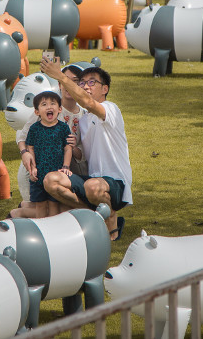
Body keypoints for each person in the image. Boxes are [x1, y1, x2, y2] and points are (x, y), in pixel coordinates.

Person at [41, 58, 132, 240]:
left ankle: (111, 219)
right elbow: (82, 155)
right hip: (92, 180)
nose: (86, 86)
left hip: (115, 183)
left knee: (92, 186)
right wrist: (73, 147)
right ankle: (96, 216)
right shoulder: (83, 120)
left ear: (104, 89)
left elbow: (89, 103)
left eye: (92, 82)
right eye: (82, 83)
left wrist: (60, 76)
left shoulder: (111, 109)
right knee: (51, 180)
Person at [10, 65, 87, 218]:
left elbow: (81, 154)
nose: (68, 85)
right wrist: (24, 153)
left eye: (75, 81)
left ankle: (22, 209)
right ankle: (17, 214)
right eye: (64, 80)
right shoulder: (47, 107)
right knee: (44, 210)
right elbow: (22, 135)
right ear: (59, 84)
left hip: (62, 173)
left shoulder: (84, 115)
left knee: (59, 209)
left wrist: (72, 148)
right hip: (36, 170)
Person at [25, 91, 73, 218]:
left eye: (53, 103)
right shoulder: (34, 128)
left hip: (56, 173)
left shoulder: (63, 128)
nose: (49, 107)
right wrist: (33, 168)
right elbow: (30, 148)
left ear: (60, 109)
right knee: (40, 204)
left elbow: (68, 148)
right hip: (39, 173)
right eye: (44, 104)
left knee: (53, 203)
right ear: (37, 112)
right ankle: (42, 228)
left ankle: (53, 230)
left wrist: (66, 167)